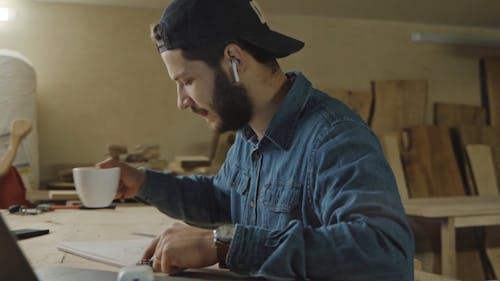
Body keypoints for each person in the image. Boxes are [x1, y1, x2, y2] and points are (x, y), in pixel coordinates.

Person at [98, 0, 414, 280]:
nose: (181, 100)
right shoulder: (250, 136)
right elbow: (220, 200)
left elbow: (384, 251)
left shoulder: (334, 137)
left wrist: (223, 245)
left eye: (188, 81)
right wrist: (142, 183)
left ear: (234, 59)